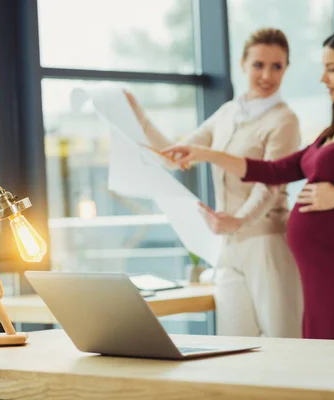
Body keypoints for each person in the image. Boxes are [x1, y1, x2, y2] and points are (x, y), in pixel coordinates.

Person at [161, 26, 334, 341]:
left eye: (331, 69)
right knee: (318, 369)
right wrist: (205, 154)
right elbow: (274, 170)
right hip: (319, 273)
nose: (323, 79)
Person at [125, 28, 303, 338]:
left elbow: (270, 184)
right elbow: (175, 157)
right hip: (228, 247)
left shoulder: (284, 120)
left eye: (277, 66)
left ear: (287, 67)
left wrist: (240, 219)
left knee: (283, 341)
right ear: (243, 64)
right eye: (259, 64)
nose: (267, 75)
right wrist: (139, 118)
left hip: (267, 243)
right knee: (233, 343)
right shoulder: (228, 113)